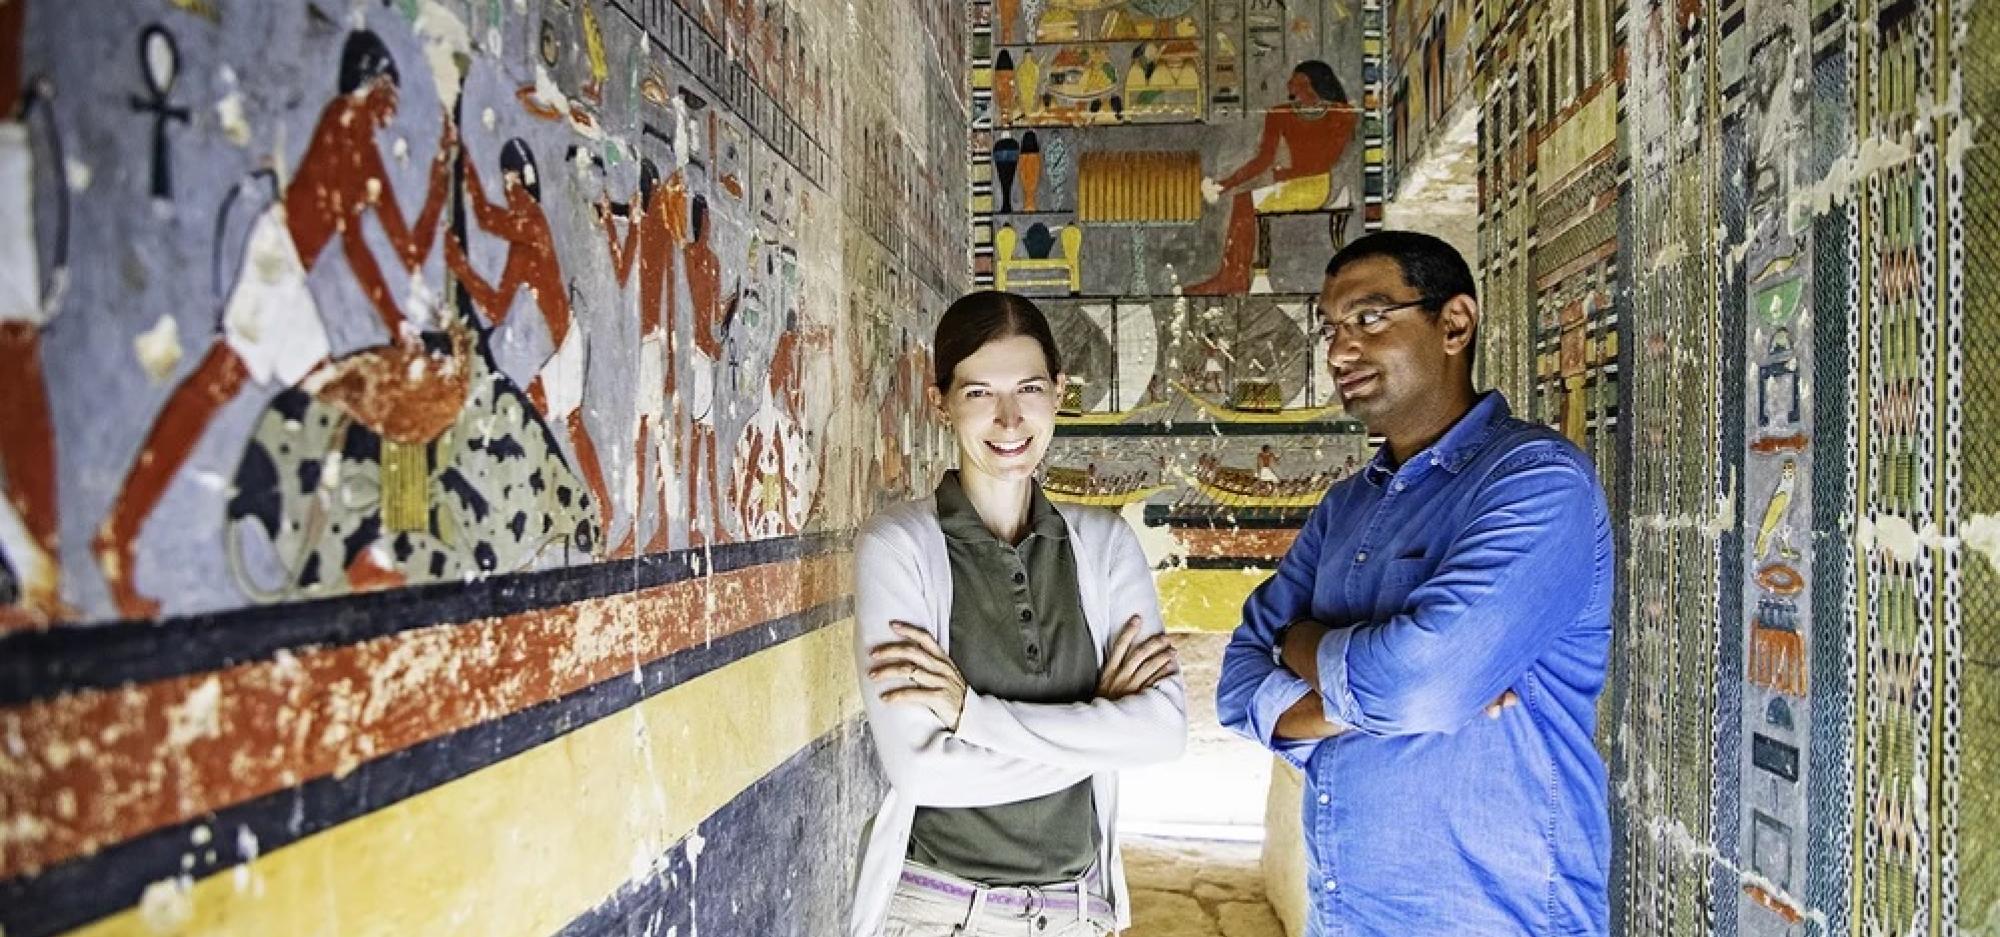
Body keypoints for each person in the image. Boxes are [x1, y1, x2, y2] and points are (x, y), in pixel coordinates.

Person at [1217, 232, 1613, 936]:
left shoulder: (1536, 480)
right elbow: (1237, 686)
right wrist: (1390, 686)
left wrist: (1304, 643)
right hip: (1348, 916)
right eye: (1332, 329)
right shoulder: (1346, 508)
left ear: (1454, 323)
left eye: (1369, 318)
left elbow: (1416, 686)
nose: (1340, 351)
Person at [850, 290, 1187, 937]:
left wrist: (972, 716)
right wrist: (1105, 725)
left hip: (1078, 913)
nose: (1008, 419)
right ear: (939, 400)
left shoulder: (1104, 544)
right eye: (979, 392)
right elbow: (924, 771)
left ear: (1059, 390)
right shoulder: (899, 546)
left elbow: (1164, 733)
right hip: (938, 911)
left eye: (1028, 387)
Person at [1185, 61, 1359, 295]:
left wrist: (1286, 173)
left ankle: (1235, 277)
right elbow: (1263, 160)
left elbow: (1326, 160)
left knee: (1245, 201)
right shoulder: (1280, 114)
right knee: (1243, 198)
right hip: (1294, 184)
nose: (1289, 85)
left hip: (1316, 187)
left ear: (1309, 84)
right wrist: (1226, 184)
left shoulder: (1342, 114)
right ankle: (1232, 274)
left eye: (1295, 80)